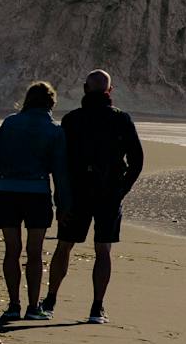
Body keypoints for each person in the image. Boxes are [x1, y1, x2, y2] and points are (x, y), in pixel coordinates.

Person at [45, 69, 143, 324]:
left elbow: (60, 162)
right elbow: (137, 160)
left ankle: (49, 301)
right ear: (110, 91)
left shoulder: (72, 120)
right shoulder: (121, 119)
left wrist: (61, 195)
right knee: (103, 249)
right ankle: (96, 308)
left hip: (77, 192)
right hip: (108, 193)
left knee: (64, 245)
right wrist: (122, 189)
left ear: (85, 89)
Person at [0, 80, 68, 322]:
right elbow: (60, 172)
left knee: (11, 250)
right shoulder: (55, 129)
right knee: (34, 252)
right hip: (37, 194)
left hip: (6, 191)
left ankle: (12, 305)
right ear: (51, 102)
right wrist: (63, 203)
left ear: (27, 100)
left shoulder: (10, 123)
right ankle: (32, 307)